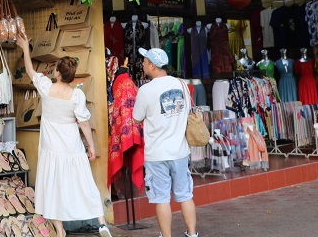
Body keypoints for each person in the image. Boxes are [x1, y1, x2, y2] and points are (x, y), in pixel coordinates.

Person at [16, 34, 111, 237]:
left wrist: (25, 48)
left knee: (53, 188)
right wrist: (91, 146)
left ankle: (60, 231)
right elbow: (84, 123)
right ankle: (101, 222)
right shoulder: (77, 95)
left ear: (57, 72)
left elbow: (31, 71)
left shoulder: (46, 88)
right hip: (72, 146)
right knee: (85, 183)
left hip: (51, 147)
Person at [133, 47, 198, 237]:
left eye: (145, 61)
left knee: (161, 199)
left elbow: (137, 118)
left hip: (157, 154)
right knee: (185, 196)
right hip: (179, 151)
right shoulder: (181, 84)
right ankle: (192, 234)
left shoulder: (145, 90)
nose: (142, 64)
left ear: (152, 65)